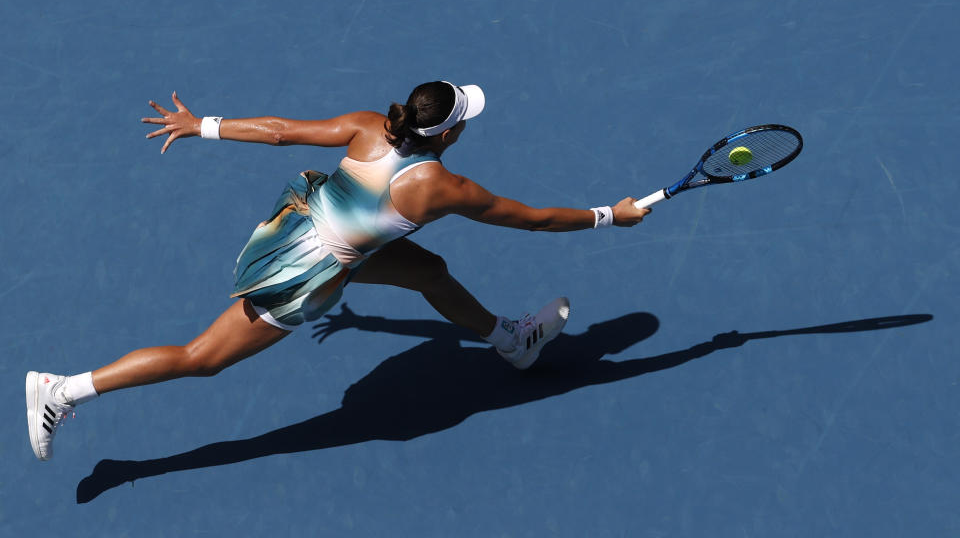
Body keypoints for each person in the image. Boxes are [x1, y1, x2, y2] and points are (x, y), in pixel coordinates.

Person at [26, 81, 650, 461]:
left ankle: (510, 342)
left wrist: (202, 125)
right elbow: (533, 219)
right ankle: (62, 390)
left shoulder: (366, 127)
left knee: (428, 270)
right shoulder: (441, 187)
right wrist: (607, 216)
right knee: (202, 356)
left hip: (304, 227)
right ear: (450, 133)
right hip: (307, 270)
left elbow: (280, 134)